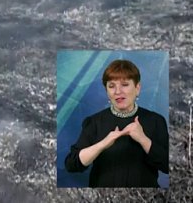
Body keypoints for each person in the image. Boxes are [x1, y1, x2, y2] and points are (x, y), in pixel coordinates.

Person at [64, 59, 169, 187]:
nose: (118, 91)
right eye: (111, 86)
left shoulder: (156, 121)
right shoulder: (94, 122)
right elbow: (71, 165)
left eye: (124, 84)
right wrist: (103, 144)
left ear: (137, 88)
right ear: (107, 91)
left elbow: (167, 166)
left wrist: (143, 139)